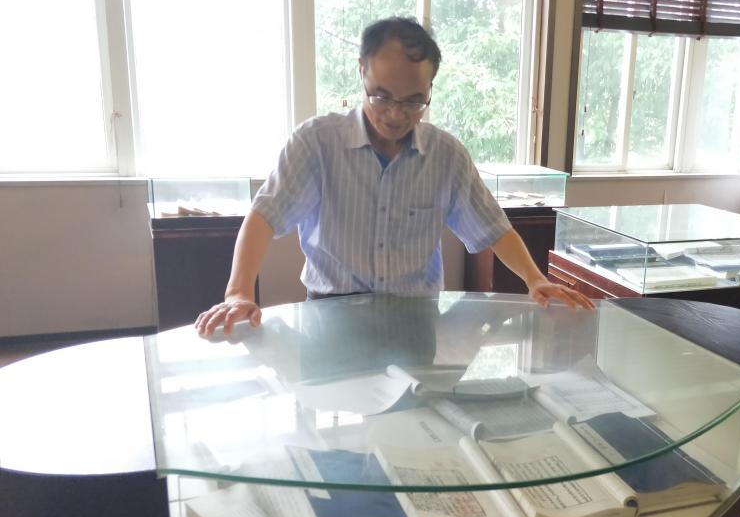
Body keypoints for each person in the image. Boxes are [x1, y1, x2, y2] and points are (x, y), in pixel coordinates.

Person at [196, 17, 592, 337]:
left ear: (430, 88)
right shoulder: (316, 142)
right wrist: (238, 293)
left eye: (414, 101)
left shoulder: (446, 155)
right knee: (335, 408)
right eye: (381, 96)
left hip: (416, 321)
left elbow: (492, 228)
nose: (395, 114)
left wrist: (535, 279)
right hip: (331, 318)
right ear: (362, 71)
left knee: (416, 410)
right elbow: (264, 216)